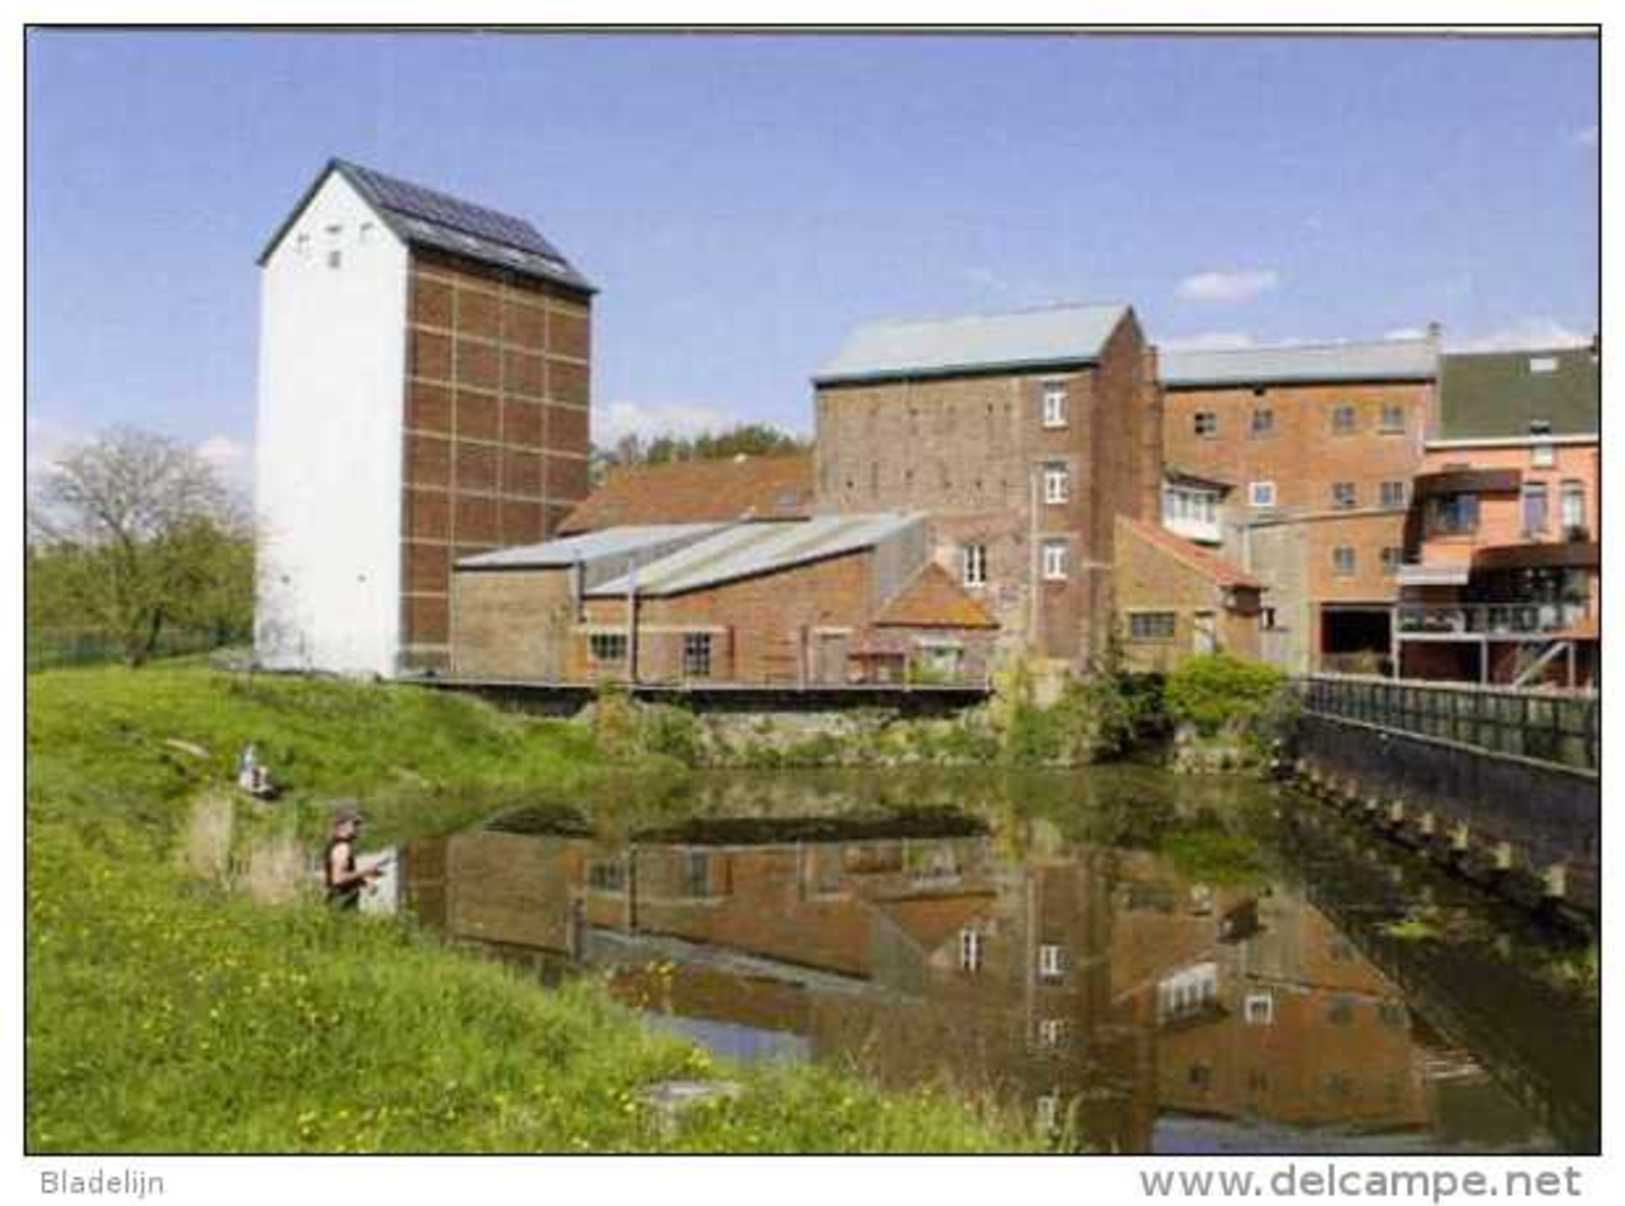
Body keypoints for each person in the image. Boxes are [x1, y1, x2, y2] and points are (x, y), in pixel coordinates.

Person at [325, 804, 385, 909]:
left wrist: (364, 881)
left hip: (341, 902)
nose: (358, 828)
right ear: (341, 825)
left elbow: (341, 877)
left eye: (359, 824)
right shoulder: (342, 847)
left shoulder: (339, 844)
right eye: (355, 824)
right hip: (341, 904)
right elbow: (337, 879)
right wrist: (366, 871)